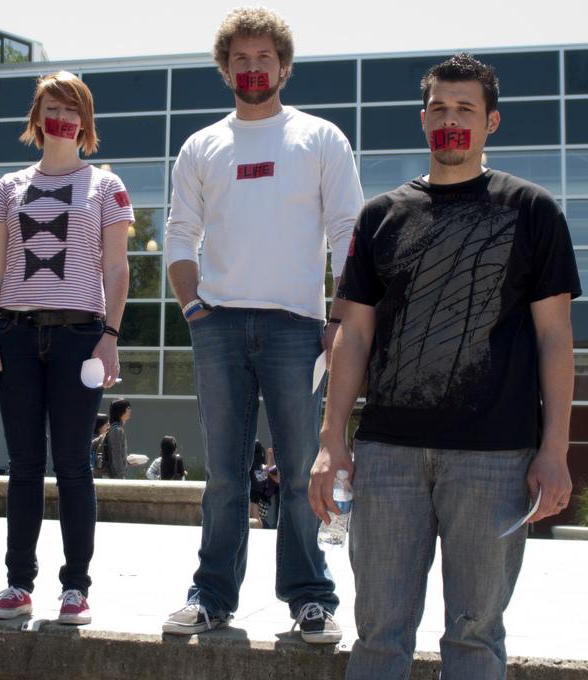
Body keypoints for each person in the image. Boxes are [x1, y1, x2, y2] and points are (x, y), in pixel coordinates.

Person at [311, 53, 579, 680]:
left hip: (495, 458)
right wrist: (331, 442)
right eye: (440, 108)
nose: (451, 119)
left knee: (476, 637)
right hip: (388, 455)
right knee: (377, 634)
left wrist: (555, 449)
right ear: (423, 120)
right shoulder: (381, 215)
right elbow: (352, 335)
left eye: (466, 109)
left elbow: (555, 337)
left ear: (492, 123)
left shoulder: (533, 210)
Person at [162, 7, 363, 642]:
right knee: (223, 473)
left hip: (296, 330)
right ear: (226, 69)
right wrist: (195, 309)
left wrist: (337, 317)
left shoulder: (322, 138)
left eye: (264, 58)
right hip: (218, 328)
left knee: (302, 468)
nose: (253, 69)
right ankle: (211, 595)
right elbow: (177, 234)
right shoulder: (202, 145)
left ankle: (310, 597)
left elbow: (349, 233)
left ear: (284, 67)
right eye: (240, 59)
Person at [0, 71, 132, 625]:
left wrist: (110, 338)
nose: (61, 116)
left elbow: (116, 267)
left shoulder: (107, 186)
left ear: (85, 121)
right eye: (51, 106)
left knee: (72, 464)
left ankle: (75, 588)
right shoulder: (7, 186)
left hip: (79, 338)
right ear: (37, 118)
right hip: (16, 336)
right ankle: (18, 584)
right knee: (23, 464)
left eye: (72, 107)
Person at [249, 441, 280, 529]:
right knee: (256, 519)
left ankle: (259, 533)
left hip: (259, 499)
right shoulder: (262, 468)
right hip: (261, 498)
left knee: (256, 519)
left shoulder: (259, 468)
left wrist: (270, 458)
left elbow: (276, 478)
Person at [102, 399, 131, 480]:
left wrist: (127, 461)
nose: (130, 410)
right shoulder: (116, 430)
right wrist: (121, 477)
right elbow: (116, 455)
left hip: (115, 475)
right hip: (115, 476)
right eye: (128, 408)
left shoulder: (117, 428)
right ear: (120, 410)